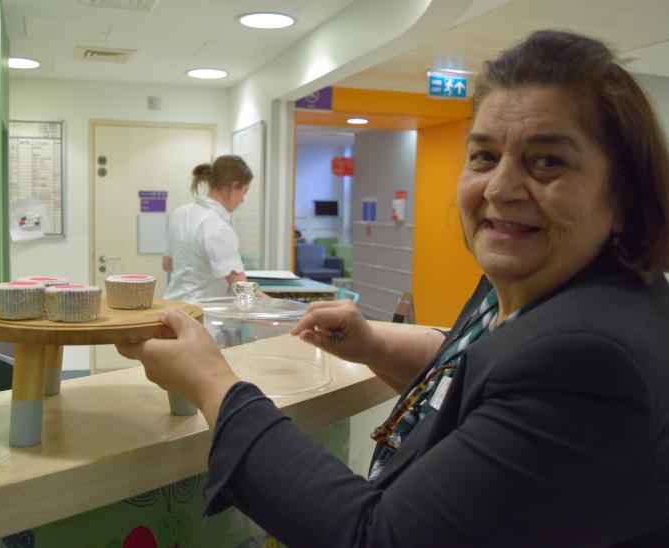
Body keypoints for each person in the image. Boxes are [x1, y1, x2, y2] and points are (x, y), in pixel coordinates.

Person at [118, 30, 669, 546]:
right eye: (483, 156)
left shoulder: (588, 359)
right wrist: (374, 344)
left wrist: (213, 382)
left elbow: (375, 536)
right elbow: (486, 369)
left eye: (547, 162)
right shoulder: (538, 289)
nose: (500, 187)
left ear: (624, 193)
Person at [162, 155, 252, 301]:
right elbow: (241, 290)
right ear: (234, 187)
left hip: (173, 305)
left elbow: (167, 264)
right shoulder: (218, 227)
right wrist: (276, 305)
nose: (242, 200)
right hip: (199, 310)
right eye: (244, 192)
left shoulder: (180, 213)